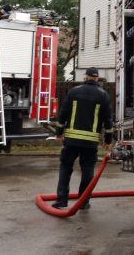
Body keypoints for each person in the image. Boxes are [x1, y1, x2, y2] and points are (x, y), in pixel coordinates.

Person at [53, 67, 113, 210]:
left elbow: (63, 113)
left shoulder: (74, 92)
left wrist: (59, 132)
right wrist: (108, 140)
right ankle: (83, 202)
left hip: (72, 140)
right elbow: (108, 121)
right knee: (87, 170)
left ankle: (61, 200)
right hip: (90, 141)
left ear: (85, 77)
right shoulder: (103, 95)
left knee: (65, 167)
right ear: (97, 78)